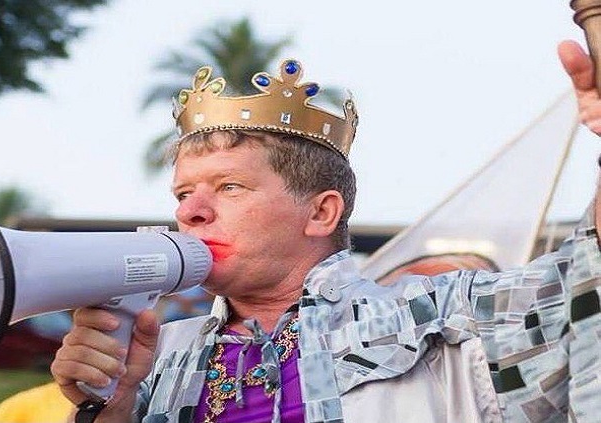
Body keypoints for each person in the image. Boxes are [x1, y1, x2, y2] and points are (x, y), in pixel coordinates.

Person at [50, 40, 601, 422]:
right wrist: (112, 407)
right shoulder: (158, 352)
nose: (191, 212)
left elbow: (586, 277)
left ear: (321, 213)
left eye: (229, 187)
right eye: (181, 194)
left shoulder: (445, 318)